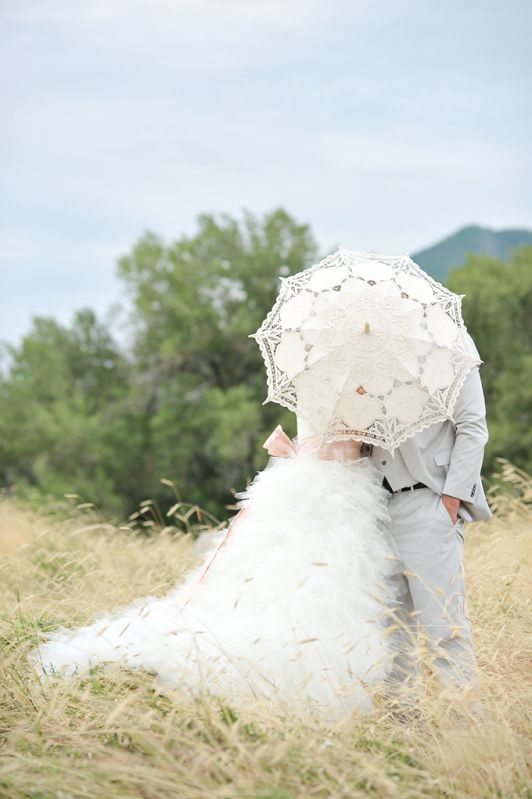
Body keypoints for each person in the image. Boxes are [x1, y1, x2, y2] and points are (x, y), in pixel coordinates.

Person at [29, 417, 403, 721]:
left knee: (278, 571)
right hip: (336, 490)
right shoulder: (354, 386)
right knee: (318, 578)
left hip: (301, 479)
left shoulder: (312, 365)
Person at [364, 362, 490, 705]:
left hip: (428, 503)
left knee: (444, 629)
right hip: (374, 509)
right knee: (391, 636)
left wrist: (450, 501)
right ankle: (404, 738)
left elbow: (473, 426)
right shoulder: (362, 352)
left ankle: (469, 733)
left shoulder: (447, 340)